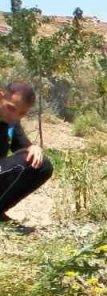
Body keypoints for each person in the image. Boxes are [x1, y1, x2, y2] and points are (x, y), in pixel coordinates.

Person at [0, 81, 52, 231]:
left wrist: (34, 147)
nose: (14, 116)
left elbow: (23, 146)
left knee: (42, 165)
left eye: (21, 113)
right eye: (11, 108)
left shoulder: (10, 121)